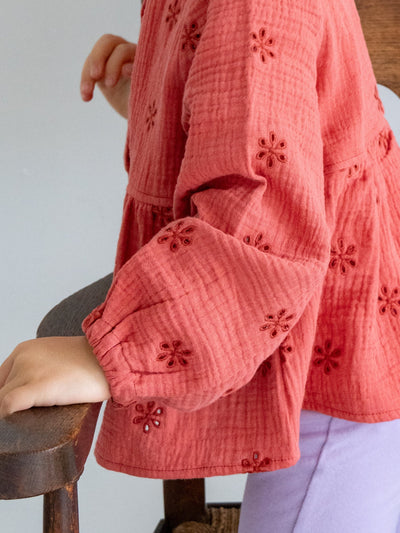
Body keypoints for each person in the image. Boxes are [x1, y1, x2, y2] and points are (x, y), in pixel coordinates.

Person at [1, 0, 400, 530]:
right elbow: (276, 130)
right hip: (313, 352)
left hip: (331, 383)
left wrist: (112, 354)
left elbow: (260, 233)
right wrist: (171, 92)